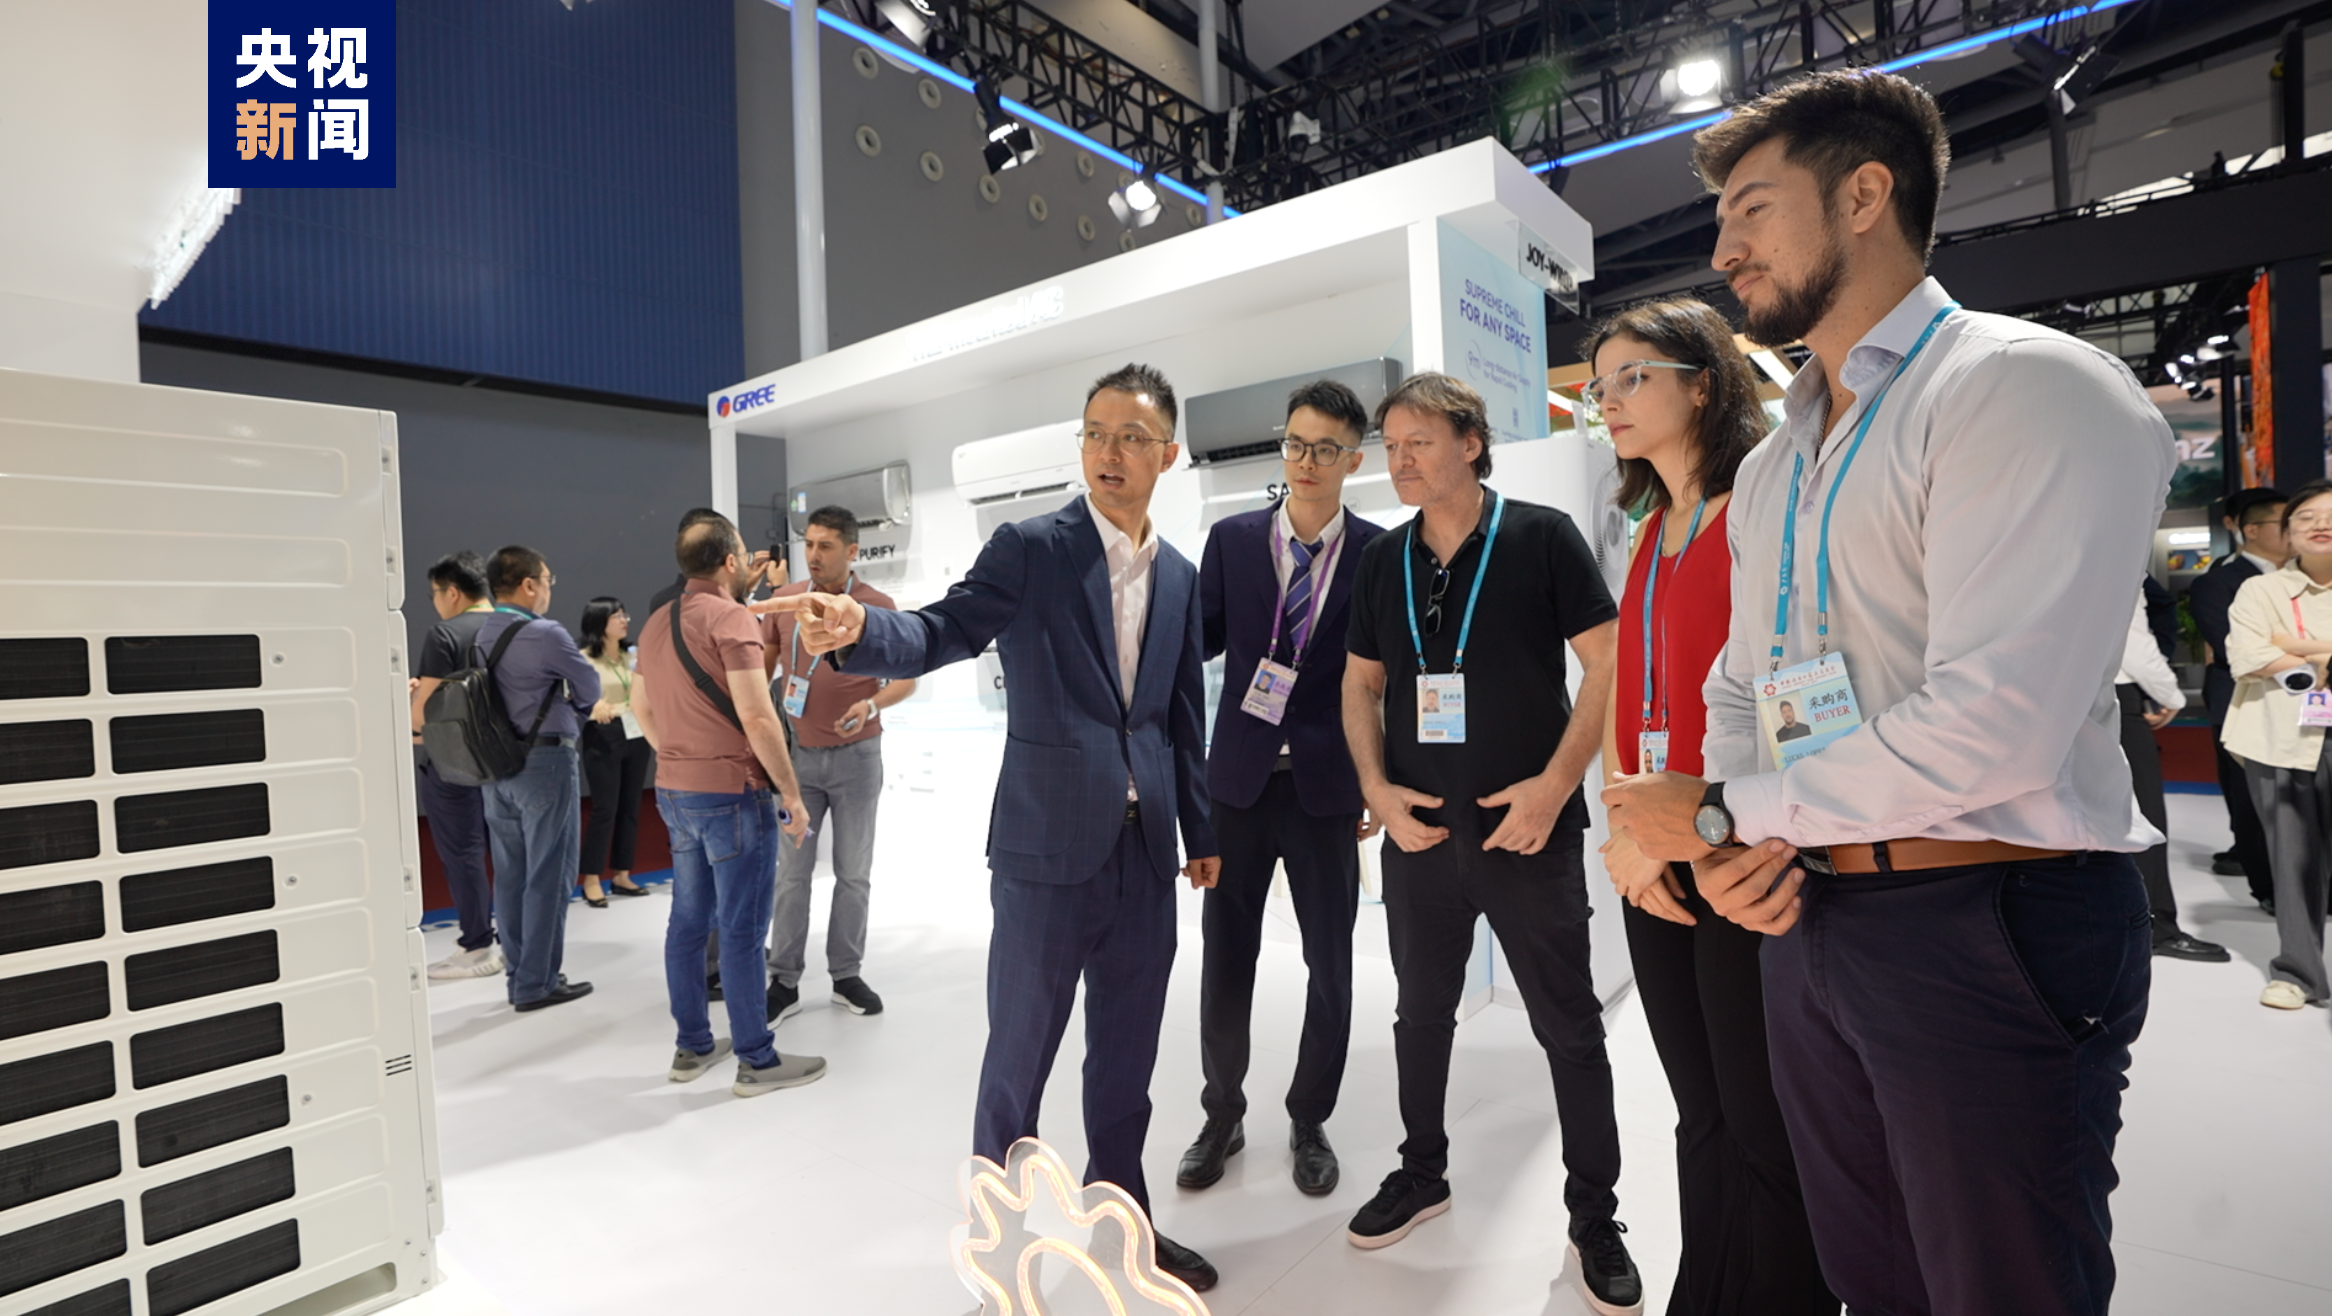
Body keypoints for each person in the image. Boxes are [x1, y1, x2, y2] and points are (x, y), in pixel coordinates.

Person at [1602, 71, 2172, 1316]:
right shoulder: (1781, 459)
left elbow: (1994, 725)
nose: (1722, 249)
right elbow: (1741, 682)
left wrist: (1722, 814)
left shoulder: (2021, 386)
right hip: (1810, 911)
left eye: (1752, 209)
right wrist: (1744, 840)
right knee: (1870, 1276)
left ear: (1864, 194)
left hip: (1986, 912)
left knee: (1998, 1283)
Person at [784, 364, 1223, 1293]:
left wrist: (1202, 829)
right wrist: (860, 628)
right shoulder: (1031, 548)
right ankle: (998, 1251)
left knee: (1127, 1063)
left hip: (1145, 857)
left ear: (1168, 454)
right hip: (1044, 850)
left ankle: (1123, 1226)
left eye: (1132, 437)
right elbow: (943, 629)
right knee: (1018, 1060)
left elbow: (1182, 715)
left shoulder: (1180, 577)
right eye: (1095, 433)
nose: (1109, 452)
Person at [1339, 371, 1639, 1312]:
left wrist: (1556, 786)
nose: (1399, 462)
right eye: (1391, 447)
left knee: (1569, 1025)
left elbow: (1607, 662)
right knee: (1420, 1016)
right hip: (1420, 835)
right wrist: (1376, 790)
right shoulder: (1381, 559)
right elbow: (1360, 684)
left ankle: (1595, 1216)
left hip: (1527, 832)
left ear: (1470, 443)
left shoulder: (1542, 537)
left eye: (1418, 443)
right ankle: (1421, 1171)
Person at [1588, 298, 1834, 1316]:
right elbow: (1627, 693)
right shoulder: (1649, 530)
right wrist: (1626, 832)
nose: (1608, 400)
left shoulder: (1759, 510)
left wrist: (1723, 833)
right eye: (1598, 385)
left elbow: (1800, 688)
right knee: (1700, 1113)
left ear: (1701, 384)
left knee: (1767, 1122)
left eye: (1631, 377)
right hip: (1656, 853)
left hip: (1741, 849)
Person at [1176, 379, 1387, 1199]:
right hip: (1236, 784)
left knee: (1330, 963)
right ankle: (1222, 1113)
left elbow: (1386, 680)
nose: (1306, 461)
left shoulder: (1377, 552)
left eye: (1325, 448)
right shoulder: (1232, 541)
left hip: (1326, 788)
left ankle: (1309, 1118)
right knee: (1227, 956)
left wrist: (1379, 779)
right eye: (1295, 444)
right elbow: (1191, 648)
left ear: (1352, 460)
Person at [632, 515, 823, 1094]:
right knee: (742, 929)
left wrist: (680, 756)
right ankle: (756, 1060)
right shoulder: (730, 618)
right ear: (731, 561)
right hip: (733, 793)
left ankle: (691, 1047)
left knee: (688, 923)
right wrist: (790, 792)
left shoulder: (656, 622)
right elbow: (758, 716)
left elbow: (642, 707)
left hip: (674, 790)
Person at [750, 504, 916, 1023]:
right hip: (797, 760)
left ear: (852, 551)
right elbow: (762, 669)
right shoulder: (785, 601)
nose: (814, 555)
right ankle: (783, 979)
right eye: (809, 544)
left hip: (858, 760)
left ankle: (846, 974)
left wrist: (871, 704)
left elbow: (907, 679)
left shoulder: (877, 606)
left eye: (825, 546)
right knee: (792, 875)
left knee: (853, 873)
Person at [475, 546, 604, 1012]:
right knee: (550, 873)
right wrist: (576, 711)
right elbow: (589, 686)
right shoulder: (546, 633)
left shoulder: (483, 632)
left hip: (496, 766)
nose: (549, 589)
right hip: (546, 762)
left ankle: (519, 977)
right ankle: (538, 983)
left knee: (510, 875)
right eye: (547, 580)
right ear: (529, 585)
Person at [2221, 479, 2332, 1010]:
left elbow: (2274, 652)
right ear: (2287, 533)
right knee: (2293, 862)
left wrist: (2294, 646)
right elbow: (2247, 656)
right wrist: (2318, 655)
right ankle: (2298, 973)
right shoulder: (2260, 591)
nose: (2320, 524)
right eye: (2305, 517)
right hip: (2281, 737)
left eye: (2330, 515)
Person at [2188, 487, 2287, 912]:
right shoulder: (2219, 581)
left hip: (2304, 704)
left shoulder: (2307, 578)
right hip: (2242, 702)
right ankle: (2269, 888)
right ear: (2252, 530)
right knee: (2251, 799)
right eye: (2285, 524)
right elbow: (2234, 649)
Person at [2116, 589, 2227, 962]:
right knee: (2143, 814)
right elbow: (2133, 641)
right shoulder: (2111, 561)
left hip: (2050, 696)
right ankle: (2154, 927)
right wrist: (2171, 695)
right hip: (2113, 694)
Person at [412, 551, 503, 980]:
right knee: (510, 850)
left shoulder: (444, 634)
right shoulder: (515, 626)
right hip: (508, 760)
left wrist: (413, 700)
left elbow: (422, 717)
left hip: (453, 764)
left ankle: (477, 944)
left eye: (434, 594)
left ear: (452, 592)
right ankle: (514, 940)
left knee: (464, 853)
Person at [577, 597, 653, 907]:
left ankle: (622, 873)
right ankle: (591, 878)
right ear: (599, 622)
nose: (624, 621)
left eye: (625, 615)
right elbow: (572, 696)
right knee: (604, 808)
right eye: (617, 616)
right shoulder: (583, 659)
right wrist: (592, 705)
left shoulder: (632, 655)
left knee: (631, 805)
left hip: (636, 730)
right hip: (604, 733)